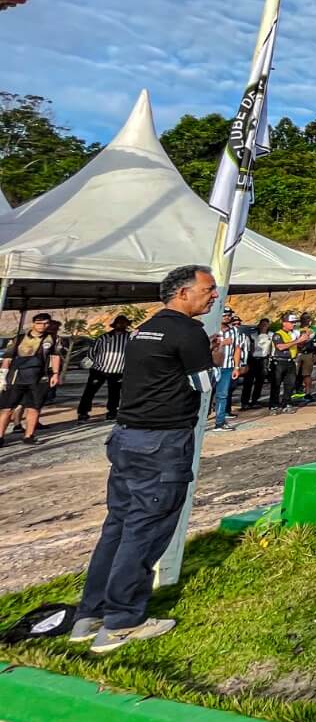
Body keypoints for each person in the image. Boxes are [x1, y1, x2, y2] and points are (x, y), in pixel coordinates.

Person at [70, 265, 225, 652]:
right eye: (208, 289)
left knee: (118, 527)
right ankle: (122, 620)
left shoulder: (147, 328)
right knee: (146, 531)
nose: (214, 295)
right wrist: (215, 358)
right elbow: (203, 385)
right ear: (183, 293)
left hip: (128, 436)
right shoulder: (187, 331)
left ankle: (90, 614)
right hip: (162, 441)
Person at [0, 313, 64, 446]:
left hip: (40, 378)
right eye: (39, 323)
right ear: (33, 323)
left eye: (46, 323)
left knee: (34, 408)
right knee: (7, 408)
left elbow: (55, 356)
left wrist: (56, 374)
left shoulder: (52, 339)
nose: (42, 326)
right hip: (17, 377)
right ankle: (0, 435)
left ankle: (29, 435)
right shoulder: (19, 339)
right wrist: (3, 376)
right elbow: (7, 357)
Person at [78, 315, 132, 423]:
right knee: (90, 392)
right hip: (99, 370)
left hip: (118, 371)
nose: (121, 325)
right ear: (115, 324)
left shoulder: (130, 338)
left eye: (124, 323)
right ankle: (83, 413)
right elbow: (92, 352)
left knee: (114, 393)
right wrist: (98, 364)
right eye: (119, 322)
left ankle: (112, 412)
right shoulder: (103, 337)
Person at [212, 311, 246, 429]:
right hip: (211, 367)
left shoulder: (234, 331)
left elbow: (237, 349)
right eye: (224, 315)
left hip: (227, 367)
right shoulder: (212, 328)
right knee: (205, 395)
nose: (227, 317)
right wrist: (221, 343)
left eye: (228, 315)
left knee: (222, 395)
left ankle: (219, 422)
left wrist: (236, 367)